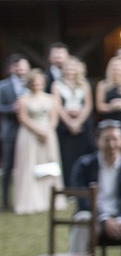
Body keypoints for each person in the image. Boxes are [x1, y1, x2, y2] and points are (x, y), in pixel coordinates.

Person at [67, 120, 121, 255]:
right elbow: (83, 200)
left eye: (115, 139)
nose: (112, 144)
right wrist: (103, 218)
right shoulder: (84, 166)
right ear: (98, 142)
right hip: (95, 218)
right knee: (82, 219)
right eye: (106, 139)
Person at [12, 69, 63, 214]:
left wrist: (48, 131)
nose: (37, 85)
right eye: (34, 82)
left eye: (39, 82)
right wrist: (38, 131)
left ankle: (50, 199)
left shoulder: (50, 98)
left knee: (49, 165)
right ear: (29, 84)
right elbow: (23, 118)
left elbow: (54, 118)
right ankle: (30, 200)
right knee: (30, 165)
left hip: (48, 134)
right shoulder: (23, 99)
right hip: (29, 135)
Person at [53, 56, 95, 179]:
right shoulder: (57, 85)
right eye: (67, 68)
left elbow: (88, 105)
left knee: (83, 154)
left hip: (82, 125)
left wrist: (78, 121)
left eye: (73, 68)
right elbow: (57, 105)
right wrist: (70, 122)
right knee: (67, 156)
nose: (70, 70)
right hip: (65, 126)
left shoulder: (84, 84)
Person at [1, 54, 31, 210]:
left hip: (28, 132)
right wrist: (12, 109)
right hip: (11, 132)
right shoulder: (3, 86)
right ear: (12, 68)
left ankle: (24, 199)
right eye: (17, 66)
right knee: (7, 168)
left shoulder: (31, 85)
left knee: (26, 166)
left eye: (23, 66)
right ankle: (5, 201)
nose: (20, 69)